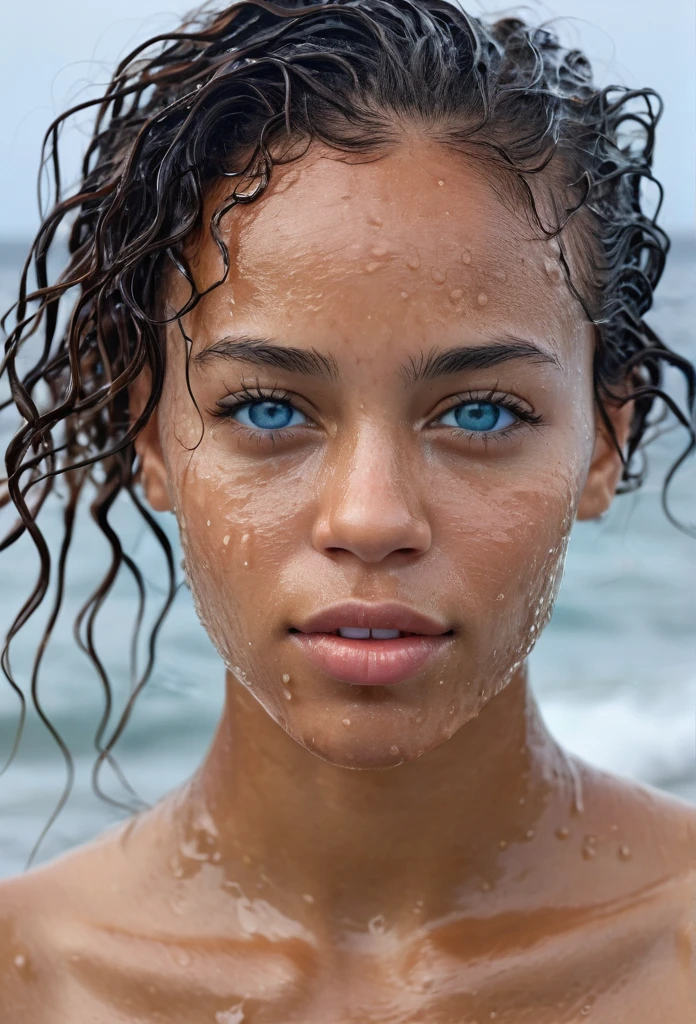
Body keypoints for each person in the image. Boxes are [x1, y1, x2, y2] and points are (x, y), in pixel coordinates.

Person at [0, 0, 694, 1019]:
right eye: (269, 407)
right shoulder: (32, 978)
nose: (370, 519)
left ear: (603, 438)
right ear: (149, 434)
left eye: (483, 410)